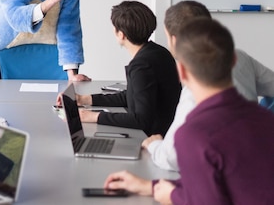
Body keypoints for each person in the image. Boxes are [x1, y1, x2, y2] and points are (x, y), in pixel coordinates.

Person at [104, 18, 274, 204]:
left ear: (181, 73)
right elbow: (231, 185)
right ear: (233, 60)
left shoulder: (193, 135)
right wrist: (152, 186)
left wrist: (172, 196)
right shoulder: (266, 119)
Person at [142, 0, 274, 171]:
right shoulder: (239, 56)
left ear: (173, 40)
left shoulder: (194, 92)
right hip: (254, 160)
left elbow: (171, 158)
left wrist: (153, 145)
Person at [72, 1, 181, 136]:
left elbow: (141, 120)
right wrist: (84, 99)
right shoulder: (158, 52)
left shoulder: (141, 65)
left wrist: (94, 117)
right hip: (165, 132)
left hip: (149, 140)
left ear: (121, 34)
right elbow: (133, 96)